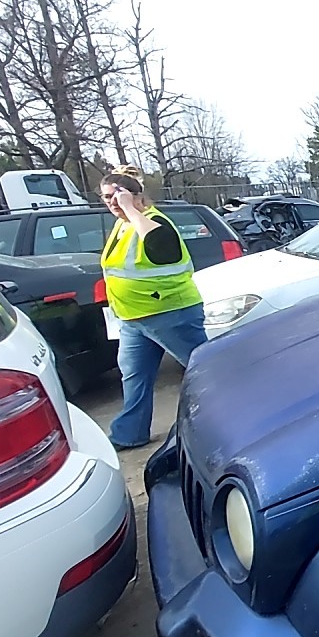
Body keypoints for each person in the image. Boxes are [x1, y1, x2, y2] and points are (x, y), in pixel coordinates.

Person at [99, 165, 207, 451]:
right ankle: (129, 434)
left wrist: (130, 209)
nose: (112, 203)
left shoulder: (153, 221)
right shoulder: (123, 225)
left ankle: (240, 415)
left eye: (118, 196)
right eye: (107, 197)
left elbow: (162, 248)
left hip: (170, 314)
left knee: (206, 369)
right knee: (134, 377)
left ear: (137, 196)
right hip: (133, 318)